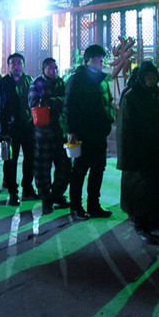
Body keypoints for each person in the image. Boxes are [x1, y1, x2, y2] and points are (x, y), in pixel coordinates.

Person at [116, 61, 159, 244]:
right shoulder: (131, 97)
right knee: (139, 191)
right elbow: (124, 129)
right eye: (147, 76)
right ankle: (141, 226)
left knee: (157, 188)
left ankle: (154, 221)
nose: (150, 80)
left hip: (157, 151)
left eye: (153, 76)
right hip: (138, 152)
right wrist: (127, 158)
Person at [65, 45, 115, 221]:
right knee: (80, 170)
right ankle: (75, 206)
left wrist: (108, 120)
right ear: (89, 60)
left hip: (99, 132)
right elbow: (69, 106)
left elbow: (107, 102)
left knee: (98, 168)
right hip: (83, 132)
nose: (102, 62)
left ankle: (94, 205)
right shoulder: (77, 79)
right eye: (99, 59)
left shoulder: (101, 79)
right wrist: (72, 130)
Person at [29, 58, 71, 214]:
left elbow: (67, 101)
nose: (54, 70)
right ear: (44, 69)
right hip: (43, 133)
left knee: (65, 166)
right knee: (42, 168)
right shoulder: (36, 84)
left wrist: (50, 102)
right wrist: (57, 102)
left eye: (55, 67)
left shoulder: (61, 83)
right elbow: (35, 104)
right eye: (51, 68)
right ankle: (46, 198)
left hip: (60, 131)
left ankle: (57, 194)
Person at [0, 53, 37, 206]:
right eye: (13, 63)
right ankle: (12, 192)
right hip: (11, 127)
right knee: (10, 161)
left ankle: (27, 188)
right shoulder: (3, 83)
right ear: (8, 66)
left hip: (27, 125)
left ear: (24, 65)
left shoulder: (29, 81)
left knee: (30, 158)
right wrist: (3, 129)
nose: (16, 66)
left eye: (19, 63)